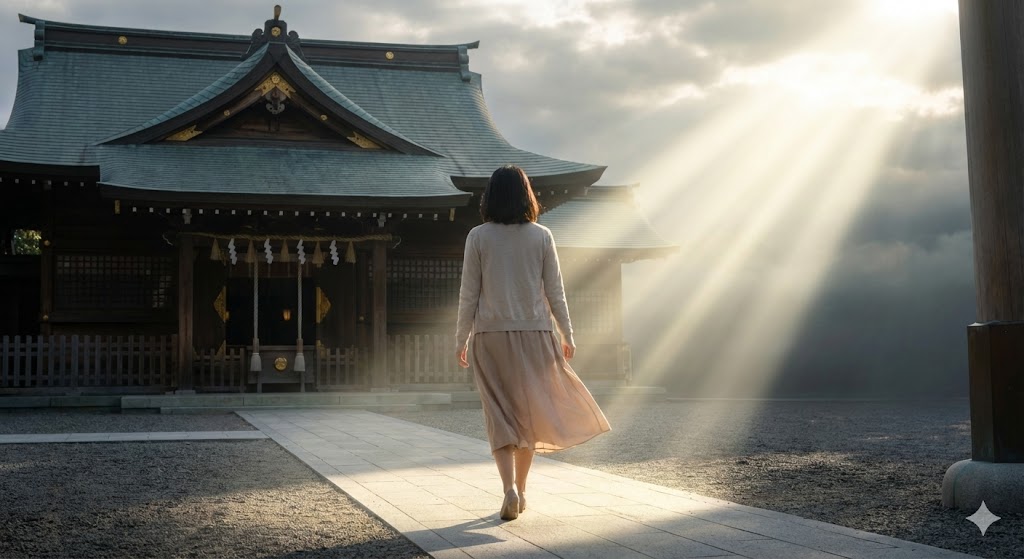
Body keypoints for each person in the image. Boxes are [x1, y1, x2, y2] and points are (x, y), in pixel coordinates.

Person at [455, 164, 611, 521]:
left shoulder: (477, 237)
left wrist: (460, 338)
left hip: (490, 336)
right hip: (537, 334)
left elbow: (469, 294)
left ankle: (508, 488)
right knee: (528, 414)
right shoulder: (542, 236)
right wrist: (567, 333)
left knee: (499, 414)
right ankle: (522, 491)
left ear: (490, 196)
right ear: (527, 194)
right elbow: (555, 291)